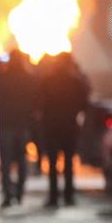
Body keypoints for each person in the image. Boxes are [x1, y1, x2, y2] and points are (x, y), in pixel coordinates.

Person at [37, 52, 90, 206]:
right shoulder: (76, 82)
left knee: (52, 163)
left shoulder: (48, 80)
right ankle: (68, 196)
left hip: (51, 126)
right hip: (69, 125)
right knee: (68, 162)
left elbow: (39, 102)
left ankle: (53, 197)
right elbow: (84, 104)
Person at [0, 48, 35, 207]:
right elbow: (34, 101)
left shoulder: (2, 78)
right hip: (22, 124)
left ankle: (8, 194)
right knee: (22, 159)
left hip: (6, 124)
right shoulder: (28, 78)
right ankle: (20, 192)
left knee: (7, 161)